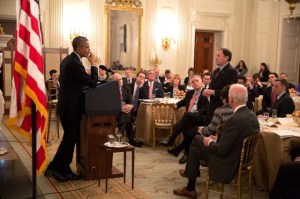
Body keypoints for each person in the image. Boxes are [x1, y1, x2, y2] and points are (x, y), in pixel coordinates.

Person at [173, 84, 260, 199]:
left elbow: (221, 149)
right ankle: (190, 185)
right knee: (195, 147)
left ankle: (190, 186)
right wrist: (218, 139)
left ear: (231, 99)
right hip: (243, 158)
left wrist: (209, 142)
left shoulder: (234, 119)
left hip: (229, 160)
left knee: (196, 141)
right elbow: (236, 138)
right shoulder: (252, 114)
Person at [44, 36, 99, 181]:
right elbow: (93, 83)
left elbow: (76, 83)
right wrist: (93, 64)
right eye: (86, 47)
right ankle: (56, 168)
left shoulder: (69, 60)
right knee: (69, 139)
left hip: (68, 107)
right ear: (79, 48)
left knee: (69, 139)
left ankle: (61, 168)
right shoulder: (75, 63)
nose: (89, 49)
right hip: (70, 109)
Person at [160, 75, 209, 152]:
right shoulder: (190, 92)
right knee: (187, 125)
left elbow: (207, 107)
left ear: (201, 81)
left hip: (200, 117)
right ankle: (184, 153)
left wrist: (196, 112)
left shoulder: (206, 92)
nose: (195, 83)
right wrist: (177, 105)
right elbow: (183, 101)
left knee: (186, 115)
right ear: (191, 84)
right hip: (190, 117)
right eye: (193, 82)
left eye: (197, 81)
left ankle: (171, 139)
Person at [202, 48, 238, 119]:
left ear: (226, 58)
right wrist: (207, 91)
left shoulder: (231, 71)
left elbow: (229, 91)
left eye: (219, 55)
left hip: (222, 108)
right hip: (212, 107)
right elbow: (213, 86)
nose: (216, 58)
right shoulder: (216, 71)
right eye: (216, 55)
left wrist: (213, 92)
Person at [113, 73, 143, 147]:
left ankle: (121, 133)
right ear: (113, 81)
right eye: (117, 80)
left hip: (125, 111)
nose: (120, 81)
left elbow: (131, 101)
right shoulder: (111, 90)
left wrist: (130, 106)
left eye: (120, 79)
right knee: (127, 116)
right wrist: (120, 108)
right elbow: (109, 103)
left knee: (126, 114)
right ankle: (131, 139)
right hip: (114, 112)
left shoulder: (126, 89)